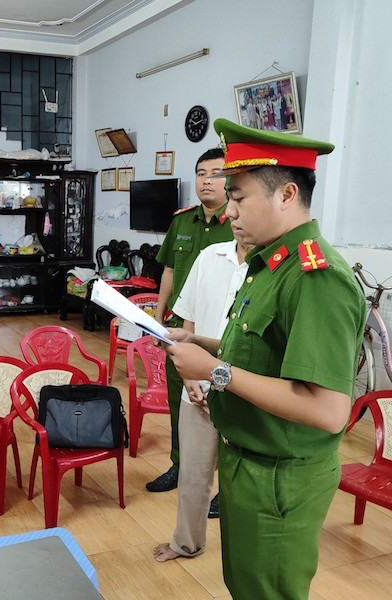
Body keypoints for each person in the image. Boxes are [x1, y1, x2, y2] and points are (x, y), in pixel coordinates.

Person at [166, 119, 366, 600]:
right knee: (245, 583)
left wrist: (214, 372)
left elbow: (327, 410)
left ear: (286, 194)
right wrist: (203, 344)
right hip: (248, 460)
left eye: (239, 197)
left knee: (268, 590)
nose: (229, 210)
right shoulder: (270, 265)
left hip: (280, 476)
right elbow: (262, 353)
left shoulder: (316, 277)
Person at [153, 236, 253, 563]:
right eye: (233, 210)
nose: (235, 214)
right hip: (197, 388)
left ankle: (245, 558)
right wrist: (190, 377)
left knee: (245, 481)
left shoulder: (275, 267)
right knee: (193, 473)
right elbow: (189, 324)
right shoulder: (210, 256)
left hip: (248, 393)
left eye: (242, 208)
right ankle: (187, 542)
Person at [147, 148, 233, 495]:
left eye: (216, 173)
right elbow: (169, 271)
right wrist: (157, 316)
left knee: (225, 406)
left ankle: (226, 485)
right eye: (201, 173)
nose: (207, 180)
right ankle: (180, 465)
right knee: (180, 400)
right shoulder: (182, 221)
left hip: (220, 331)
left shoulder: (240, 224)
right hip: (180, 329)